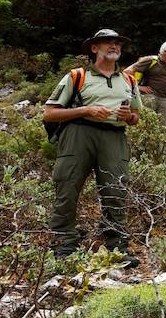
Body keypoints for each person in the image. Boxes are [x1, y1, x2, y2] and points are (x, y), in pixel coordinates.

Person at [43, 29, 143, 267]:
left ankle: (117, 249)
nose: (114, 46)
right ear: (94, 48)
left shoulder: (128, 80)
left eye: (117, 43)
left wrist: (129, 116)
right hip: (78, 134)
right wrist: (86, 110)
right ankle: (65, 246)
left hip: (114, 137)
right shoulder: (77, 76)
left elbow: (137, 117)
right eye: (107, 42)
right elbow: (49, 113)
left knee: (115, 191)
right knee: (67, 187)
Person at [128, 41, 166, 128]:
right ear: (165, 51)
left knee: (164, 127)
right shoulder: (151, 60)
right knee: (144, 124)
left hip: (165, 99)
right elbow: (128, 72)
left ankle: (159, 142)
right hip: (148, 97)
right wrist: (139, 87)